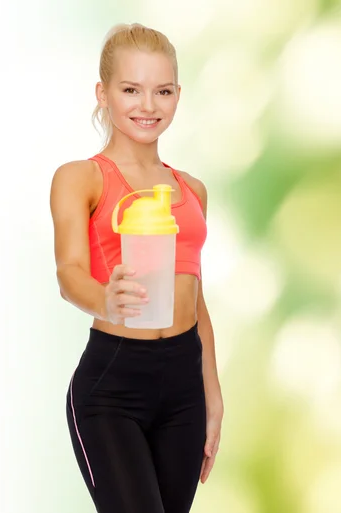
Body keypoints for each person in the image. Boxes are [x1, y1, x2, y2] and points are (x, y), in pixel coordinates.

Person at [49, 23, 223, 513]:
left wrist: (212, 394)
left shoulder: (191, 190)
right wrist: (104, 298)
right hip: (113, 386)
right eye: (131, 90)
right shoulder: (80, 178)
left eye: (162, 91)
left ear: (177, 96)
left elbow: (195, 296)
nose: (148, 105)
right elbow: (69, 273)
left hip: (185, 388)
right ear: (103, 94)